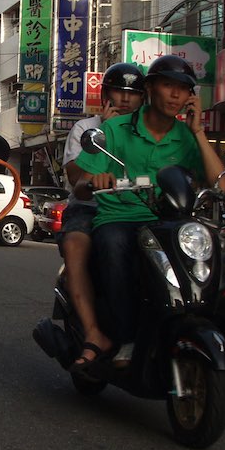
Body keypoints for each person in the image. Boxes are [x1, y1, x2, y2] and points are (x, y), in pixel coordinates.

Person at [73, 54, 225, 360]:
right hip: (120, 218)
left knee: (212, 248)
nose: (175, 95)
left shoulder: (187, 138)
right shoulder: (115, 129)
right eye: (168, 86)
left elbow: (221, 186)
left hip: (170, 222)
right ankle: (124, 337)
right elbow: (80, 184)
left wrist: (198, 131)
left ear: (191, 97)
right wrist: (95, 179)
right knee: (113, 243)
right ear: (150, 89)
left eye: (183, 89)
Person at [57, 63, 145, 373]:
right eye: (119, 92)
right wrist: (106, 133)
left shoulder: (146, 132)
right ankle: (94, 332)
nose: (125, 99)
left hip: (137, 208)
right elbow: (76, 179)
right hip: (91, 208)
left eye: (133, 94)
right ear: (106, 94)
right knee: (75, 245)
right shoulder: (86, 129)